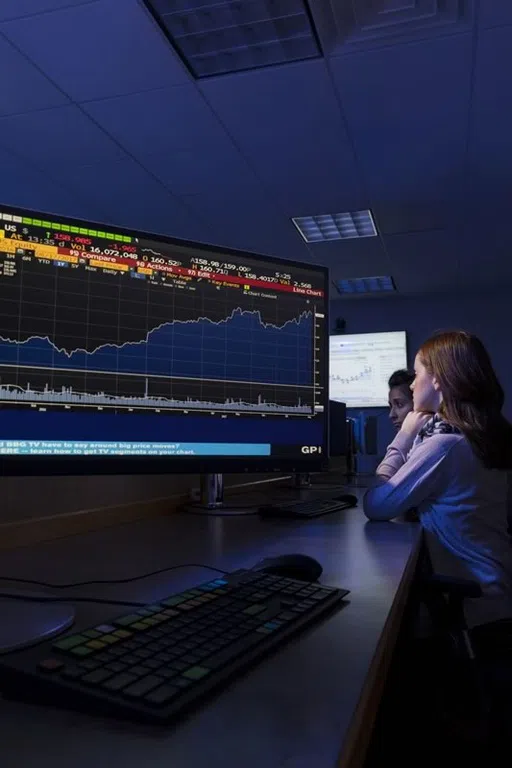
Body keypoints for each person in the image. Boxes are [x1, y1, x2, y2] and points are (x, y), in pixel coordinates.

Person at [365, 330, 512, 627]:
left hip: (475, 607)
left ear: (437, 380)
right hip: (497, 590)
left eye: (417, 373)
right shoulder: (476, 435)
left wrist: (403, 436)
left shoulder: (445, 445)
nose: (412, 383)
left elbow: (376, 505)